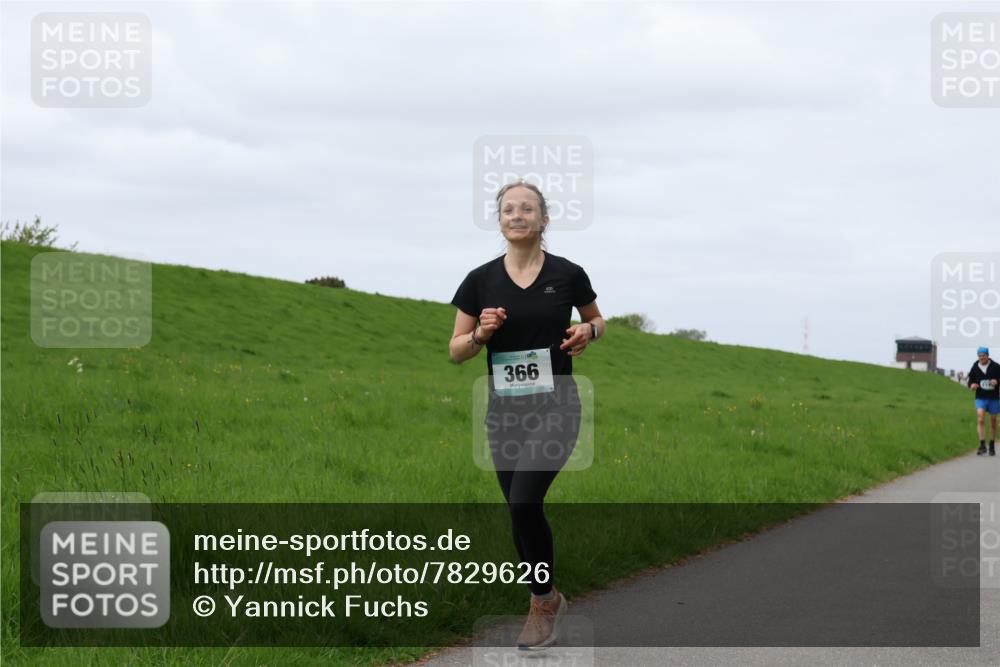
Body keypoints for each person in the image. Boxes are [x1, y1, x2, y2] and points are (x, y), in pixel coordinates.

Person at [448, 180, 605, 650]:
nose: (517, 215)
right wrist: (480, 334)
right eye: (508, 209)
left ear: (543, 219)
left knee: (522, 502)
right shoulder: (480, 280)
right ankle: (548, 594)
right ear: (499, 220)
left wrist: (588, 333)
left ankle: (540, 605)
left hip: (557, 404)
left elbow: (598, 320)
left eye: (527, 209)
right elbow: (456, 351)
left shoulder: (567, 273)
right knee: (520, 512)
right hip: (504, 413)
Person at [967, 346, 1000, 456]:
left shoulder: (995, 366)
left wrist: (997, 381)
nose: (981, 358)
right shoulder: (975, 366)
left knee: (993, 421)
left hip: (993, 397)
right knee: (980, 418)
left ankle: (991, 445)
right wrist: (971, 385)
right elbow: (970, 379)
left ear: (987, 356)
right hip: (980, 396)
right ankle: (982, 445)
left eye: (983, 356)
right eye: (979, 356)